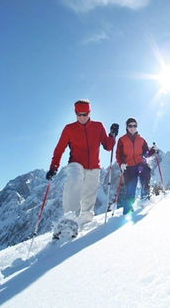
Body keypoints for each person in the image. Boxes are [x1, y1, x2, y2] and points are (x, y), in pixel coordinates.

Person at [46, 99, 118, 239]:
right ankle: (69, 219)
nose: (82, 117)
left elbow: (108, 146)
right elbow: (59, 149)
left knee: (89, 197)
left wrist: (112, 135)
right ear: (75, 113)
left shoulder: (98, 126)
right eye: (79, 114)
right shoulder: (69, 128)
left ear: (89, 112)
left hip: (94, 167)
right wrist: (54, 166)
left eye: (85, 114)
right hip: (75, 164)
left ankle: (82, 223)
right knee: (74, 181)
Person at [116, 118, 158, 215]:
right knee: (130, 190)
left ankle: (145, 198)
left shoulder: (141, 140)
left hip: (140, 164)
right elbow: (118, 154)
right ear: (127, 127)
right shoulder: (122, 140)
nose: (132, 128)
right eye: (130, 126)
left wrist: (154, 150)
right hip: (129, 167)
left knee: (146, 173)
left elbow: (146, 153)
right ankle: (127, 211)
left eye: (134, 126)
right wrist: (121, 163)